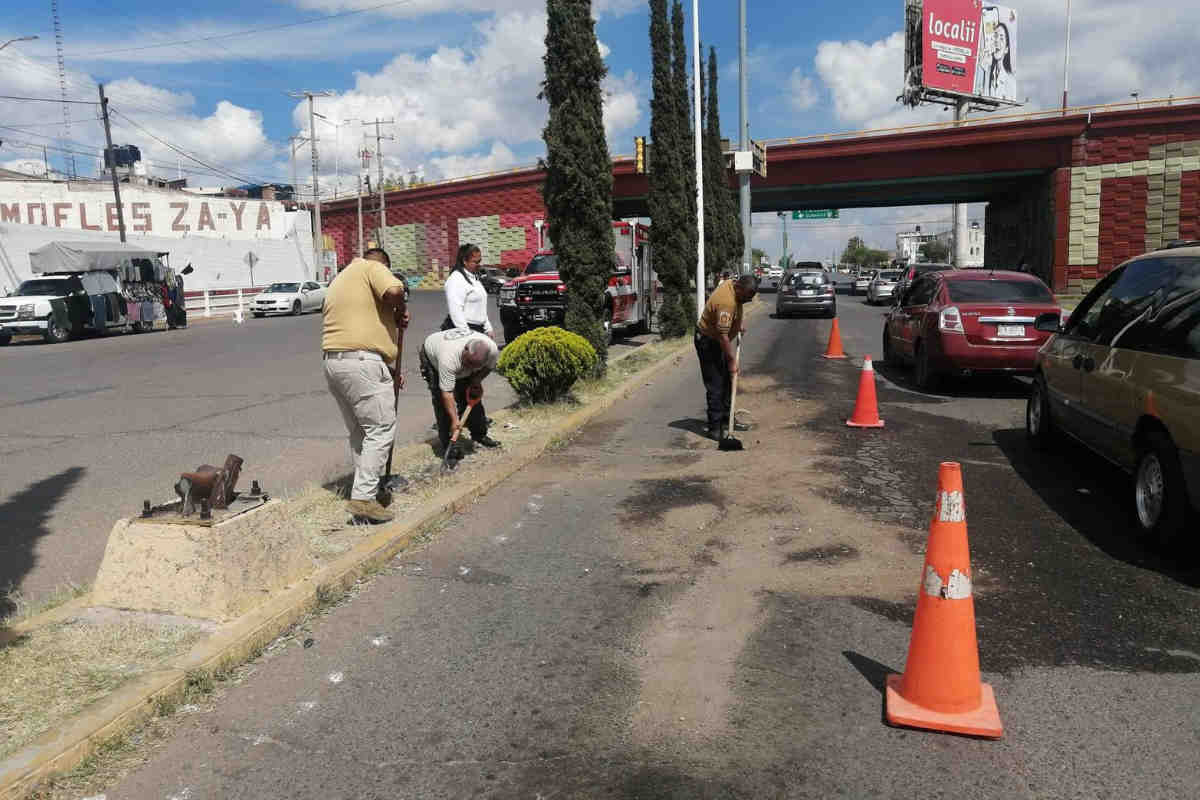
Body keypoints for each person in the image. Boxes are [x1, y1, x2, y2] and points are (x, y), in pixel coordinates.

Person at [322, 247, 410, 523]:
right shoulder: (373, 267)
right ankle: (363, 498)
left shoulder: (342, 278)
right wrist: (400, 307)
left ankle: (365, 492)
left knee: (361, 432)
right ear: (384, 265)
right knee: (381, 428)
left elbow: (358, 327)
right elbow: (395, 291)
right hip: (361, 362)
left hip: (335, 362)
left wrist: (387, 366)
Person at [419, 328, 501, 464]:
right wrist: (455, 420)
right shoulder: (448, 358)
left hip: (456, 356)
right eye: (467, 363)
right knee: (442, 403)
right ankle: (450, 447)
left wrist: (477, 379)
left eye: (474, 366)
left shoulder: (491, 350)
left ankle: (479, 435)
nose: (468, 369)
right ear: (465, 349)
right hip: (432, 355)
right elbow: (447, 393)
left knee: (471, 395)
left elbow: (489, 367)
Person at [695, 274, 757, 440]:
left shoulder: (732, 285)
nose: (747, 300)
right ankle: (714, 427)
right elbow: (723, 336)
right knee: (715, 383)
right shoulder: (726, 302)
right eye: (746, 297)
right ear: (738, 288)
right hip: (709, 341)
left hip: (718, 339)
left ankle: (726, 418)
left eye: (750, 298)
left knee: (728, 381)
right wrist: (731, 362)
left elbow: (735, 310)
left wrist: (737, 325)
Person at [442, 243, 495, 337]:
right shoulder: (456, 279)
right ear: (464, 261)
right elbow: (456, 310)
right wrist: (467, 334)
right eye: (475, 262)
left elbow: (480, 308)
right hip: (463, 331)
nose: (479, 265)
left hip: (478, 329)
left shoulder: (474, 277)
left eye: (480, 261)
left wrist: (488, 328)